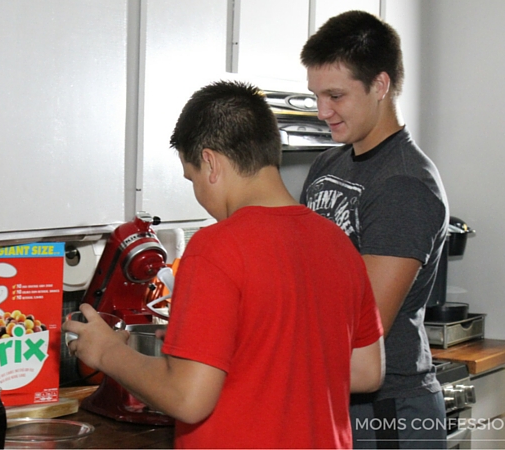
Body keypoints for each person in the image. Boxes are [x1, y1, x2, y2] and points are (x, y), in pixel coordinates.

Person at [64, 80, 385, 449]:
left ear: (211, 163)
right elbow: (365, 371)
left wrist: (107, 351)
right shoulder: (338, 244)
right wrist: (227, 348)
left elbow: (187, 398)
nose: (198, 193)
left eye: (193, 178)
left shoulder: (217, 246)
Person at [299, 10, 449, 449]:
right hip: (336, 397)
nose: (322, 111)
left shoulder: (404, 184)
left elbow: (364, 324)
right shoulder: (329, 162)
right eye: (316, 96)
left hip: (389, 412)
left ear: (380, 86)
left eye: (335, 95)